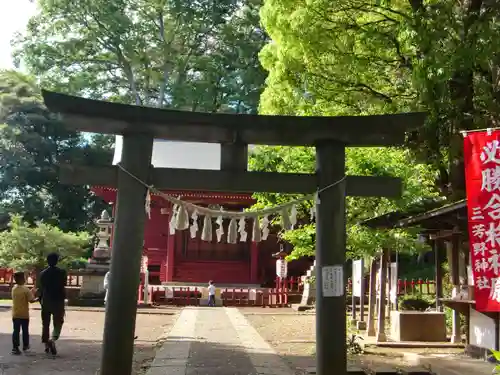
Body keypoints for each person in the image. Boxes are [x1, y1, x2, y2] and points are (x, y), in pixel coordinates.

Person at [38, 252, 67, 355]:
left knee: (45, 323)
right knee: (58, 321)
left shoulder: (42, 273)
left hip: (46, 299)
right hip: (58, 300)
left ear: (47, 261)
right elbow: (64, 285)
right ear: (57, 261)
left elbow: (40, 288)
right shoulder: (62, 272)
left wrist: (40, 300)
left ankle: (46, 344)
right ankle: (53, 338)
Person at [11, 271, 37, 355]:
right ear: (22, 279)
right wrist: (38, 297)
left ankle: (15, 347)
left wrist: (31, 292)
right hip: (24, 315)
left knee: (16, 331)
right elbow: (31, 300)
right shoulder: (25, 290)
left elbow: (23, 296)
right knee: (25, 331)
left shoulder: (14, 288)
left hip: (15, 314)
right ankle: (25, 345)